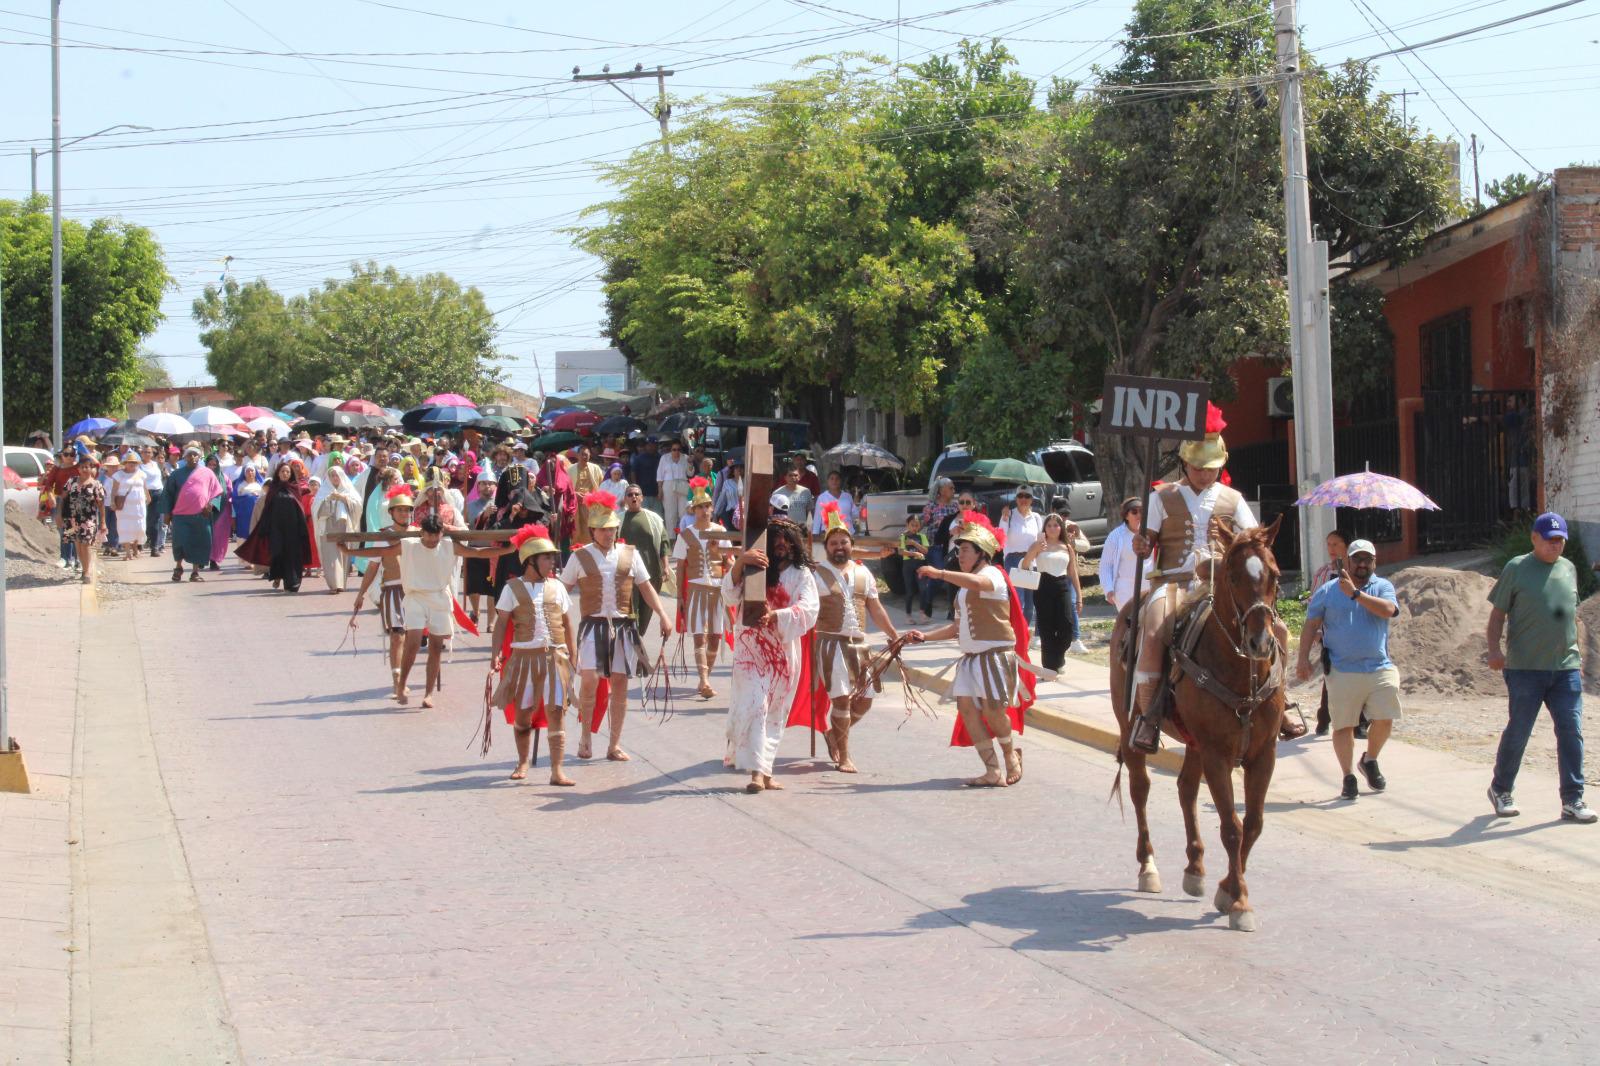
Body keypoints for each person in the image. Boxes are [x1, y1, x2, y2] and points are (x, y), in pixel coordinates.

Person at [1126, 404, 1286, 754]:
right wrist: (1141, 544)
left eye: (1212, 468)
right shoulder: (1161, 496)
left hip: (1222, 583)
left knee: (1280, 629)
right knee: (1153, 631)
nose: (1205, 474)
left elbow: (1252, 537)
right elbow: (1147, 542)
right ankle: (1150, 716)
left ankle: (1282, 702)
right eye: (1199, 467)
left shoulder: (1234, 498)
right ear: (1186, 463)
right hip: (1174, 582)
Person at [1485, 512, 1595, 823]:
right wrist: (1494, 650)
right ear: (1535, 537)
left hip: (1566, 669)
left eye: (1560, 540)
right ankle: (1501, 788)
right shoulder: (1517, 568)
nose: (1555, 546)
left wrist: (1580, 657)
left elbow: (1569, 616)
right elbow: (1497, 616)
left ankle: (1572, 799)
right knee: (1520, 730)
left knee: (1571, 731)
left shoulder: (1569, 569)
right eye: (1550, 540)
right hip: (1524, 669)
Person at [911, 511, 1030, 788]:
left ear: (981, 553)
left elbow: (979, 584)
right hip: (971, 659)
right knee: (966, 709)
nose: (960, 555)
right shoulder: (963, 591)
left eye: (966, 550)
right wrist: (925, 638)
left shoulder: (993, 574)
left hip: (995, 656)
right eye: (959, 549)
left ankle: (1011, 755)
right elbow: (956, 628)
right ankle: (992, 771)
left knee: (992, 710)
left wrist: (939, 573)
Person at [348, 515, 515, 707]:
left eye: (436, 536)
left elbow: (478, 553)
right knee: (413, 643)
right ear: (422, 533)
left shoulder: (448, 546)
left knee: (436, 648)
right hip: (415, 597)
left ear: (441, 534)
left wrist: (508, 549)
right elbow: (380, 550)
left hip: (439, 598)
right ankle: (401, 685)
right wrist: (348, 551)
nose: (432, 540)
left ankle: (428, 694)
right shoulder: (408, 545)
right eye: (428, 535)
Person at [560, 491, 674, 760]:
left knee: (621, 683)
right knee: (589, 680)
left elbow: (646, 587)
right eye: (602, 529)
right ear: (592, 530)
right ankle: (586, 737)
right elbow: (561, 593)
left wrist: (663, 615)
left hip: (624, 626)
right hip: (592, 626)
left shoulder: (629, 554)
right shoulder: (579, 557)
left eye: (611, 528)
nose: (608, 533)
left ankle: (613, 745)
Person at [1296, 539, 1401, 802]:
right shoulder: (1329, 590)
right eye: (1358, 559)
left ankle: (1370, 759)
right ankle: (1348, 777)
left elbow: (1388, 610)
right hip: (1342, 669)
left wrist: (1356, 593)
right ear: (1348, 561)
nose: (1363, 564)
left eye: (1368, 559)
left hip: (1378, 666)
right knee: (1343, 726)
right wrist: (1302, 660)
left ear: (1374, 562)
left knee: (1385, 719)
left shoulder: (1383, 587)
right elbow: (1311, 625)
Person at [722, 518, 820, 793]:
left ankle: (765, 770)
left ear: (795, 544)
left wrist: (777, 615)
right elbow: (729, 596)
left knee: (776, 712)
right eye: (776, 538)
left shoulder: (802, 575)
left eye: (787, 539)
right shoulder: (753, 568)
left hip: (783, 651)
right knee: (756, 706)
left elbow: (810, 610)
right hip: (750, 650)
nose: (781, 544)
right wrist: (740, 563)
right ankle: (756, 772)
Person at [812, 503, 900, 774]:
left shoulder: (864, 573)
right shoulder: (816, 574)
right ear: (826, 547)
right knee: (840, 701)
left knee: (865, 700)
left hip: (860, 646)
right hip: (830, 645)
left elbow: (875, 607)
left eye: (844, 542)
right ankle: (844, 757)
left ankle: (834, 735)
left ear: (852, 544)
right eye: (834, 543)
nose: (839, 546)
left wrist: (894, 636)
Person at [490, 524, 577, 786]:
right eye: (547, 557)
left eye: (552, 556)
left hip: (555, 658)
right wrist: (495, 654)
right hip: (524, 658)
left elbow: (567, 622)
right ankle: (522, 761)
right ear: (530, 561)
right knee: (524, 713)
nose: (552, 561)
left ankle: (557, 770)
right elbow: (501, 624)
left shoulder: (557, 587)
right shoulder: (511, 589)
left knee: (556, 711)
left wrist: (573, 655)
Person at [349, 487, 418, 692]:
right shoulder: (383, 537)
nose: (404, 514)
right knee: (397, 635)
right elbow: (372, 566)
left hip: (416, 592)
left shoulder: (419, 534)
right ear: (391, 512)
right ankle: (397, 680)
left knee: (412, 639)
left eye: (407, 510)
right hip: (392, 590)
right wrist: (360, 594)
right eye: (400, 510)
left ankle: (403, 676)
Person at [673, 478, 733, 699]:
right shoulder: (686, 534)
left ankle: (705, 676)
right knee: (700, 636)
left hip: (717, 589)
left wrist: (730, 564)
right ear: (694, 510)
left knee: (716, 636)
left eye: (707, 506)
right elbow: (679, 567)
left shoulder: (720, 530)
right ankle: (704, 680)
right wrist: (679, 595)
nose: (704, 511)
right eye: (700, 507)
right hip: (696, 589)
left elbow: (730, 561)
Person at [1306, 529, 1358, 737]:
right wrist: (1317, 631)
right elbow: (1314, 604)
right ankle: (1324, 718)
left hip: (1356, 631)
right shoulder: (1323, 573)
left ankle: (1360, 722)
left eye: (1336, 544)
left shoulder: (1358, 571)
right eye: (1329, 544)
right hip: (1331, 633)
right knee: (1331, 674)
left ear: (1347, 546)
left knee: (1360, 675)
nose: (1331, 549)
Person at [1023, 513, 1086, 671]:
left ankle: (1058, 659)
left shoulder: (1067, 547)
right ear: (1045, 528)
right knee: (1046, 628)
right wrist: (1034, 550)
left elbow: (1073, 572)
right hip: (1043, 585)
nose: (1052, 528)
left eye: (1056, 525)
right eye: (1049, 525)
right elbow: (1024, 565)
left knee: (1066, 626)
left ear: (1061, 528)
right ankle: (1050, 666)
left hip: (1063, 586)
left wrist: (1079, 596)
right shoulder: (1038, 545)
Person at [237, 462, 313, 592]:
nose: (285, 474)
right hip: (276, 529)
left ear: (291, 474)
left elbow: (300, 507)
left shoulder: (295, 488)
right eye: (282, 471)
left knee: (292, 555)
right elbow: (267, 510)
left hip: (293, 529)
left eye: (288, 472)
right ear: (278, 473)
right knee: (278, 553)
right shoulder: (273, 489)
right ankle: (278, 575)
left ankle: (292, 583)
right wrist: (265, 528)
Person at [160, 445, 224, 584]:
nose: (193, 457)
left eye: (195, 454)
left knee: (200, 542)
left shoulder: (208, 473)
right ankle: (178, 567)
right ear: (185, 457)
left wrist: (211, 504)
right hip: (180, 516)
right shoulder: (176, 474)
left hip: (201, 515)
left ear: (200, 457)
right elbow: (168, 495)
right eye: (190, 454)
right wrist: (167, 514)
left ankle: (195, 572)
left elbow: (217, 492)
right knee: (179, 542)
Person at [619, 483, 670, 635]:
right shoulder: (617, 520)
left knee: (647, 611)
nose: (633, 497)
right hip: (627, 575)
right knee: (630, 613)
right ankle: (633, 644)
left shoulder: (654, 519)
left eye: (636, 494)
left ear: (642, 498)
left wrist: (666, 566)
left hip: (651, 573)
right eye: (630, 495)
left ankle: (638, 640)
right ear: (625, 499)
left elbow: (663, 543)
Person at [463, 468, 502, 628]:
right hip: (474, 550)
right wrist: (483, 516)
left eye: (491, 484)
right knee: (474, 587)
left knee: (492, 589)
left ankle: (491, 623)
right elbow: (467, 526)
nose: (487, 487)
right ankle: (476, 610)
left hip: (493, 551)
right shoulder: (469, 506)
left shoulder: (500, 505)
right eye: (484, 484)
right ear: (478, 486)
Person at [1000, 487, 1044, 628]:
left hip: (1031, 560)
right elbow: (1001, 537)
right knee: (1018, 601)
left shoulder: (1036, 518)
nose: (1023, 499)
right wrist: (1005, 519)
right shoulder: (1009, 514)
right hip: (1013, 560)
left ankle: (1023, 633)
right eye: (1020, 496)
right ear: (1016, 498)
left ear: (1032, 499)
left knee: (1030, 604)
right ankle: (1014, 633)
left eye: (1027, 496)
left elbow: (1041, 540)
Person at [315, 465, 364, 593]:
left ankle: (341, 583)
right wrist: (329, 499)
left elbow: (358, 506)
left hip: (344, 527)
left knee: (343, 554)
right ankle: (334, 585)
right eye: (332, 476)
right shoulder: (324, 491)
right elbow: (316, 510)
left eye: (337, 475)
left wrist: (343, 498)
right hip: (328, 527)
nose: (335, 478)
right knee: (331, 556)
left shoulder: (349, 490)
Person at [1097, 497, 1150, 614]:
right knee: (1129, 625)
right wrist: (1109, 589)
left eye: (1141, 511)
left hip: (1149, 586)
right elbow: (1106, 565)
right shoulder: (1116, 536)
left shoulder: (1152, 533)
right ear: (1126, 516)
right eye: (1134, 512)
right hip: (1125, 590)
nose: (1138, 515)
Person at [920, 479, 963, 619]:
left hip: (950, 546)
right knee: (938, 575)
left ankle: (952, 611)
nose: (953, 490)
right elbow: (921, 523)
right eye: (951, 487)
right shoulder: (931, 506)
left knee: (951, 577)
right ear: (941, 490)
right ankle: (926, 605)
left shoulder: (955, 506)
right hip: (935, 545)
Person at [60, 456, 105, 586]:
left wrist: (103, 522)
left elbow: (101, 505)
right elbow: (63, 498)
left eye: (88, 467)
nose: (85, 469)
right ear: (78, 469)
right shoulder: (71, 481)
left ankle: (86, 572)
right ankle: (83, 569)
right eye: (83, 467)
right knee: (77, 544)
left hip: (88, 519)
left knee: (86, 544)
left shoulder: (96, 484)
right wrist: (59, 515)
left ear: (92, 469)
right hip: (71, 519)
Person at [111, 452, 148, 560]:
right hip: (124, 507)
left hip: (139, 506)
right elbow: (114, 490)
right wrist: (112, 501)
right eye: (130, 462)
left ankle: (135, 548)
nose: (132, 464)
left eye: (134, 462)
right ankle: (128, 552)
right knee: (124, 528)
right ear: (125, 463)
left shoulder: (141, 473)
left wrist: (148, 497)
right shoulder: (118, 475)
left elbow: (145, 487)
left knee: (139, 528)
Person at [898, 513, 932, 621]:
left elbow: (925, 550)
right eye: (912, 525)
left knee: (923, 588)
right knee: (909, 591)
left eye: (917, 525)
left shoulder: (922, 537)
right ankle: (908, 615)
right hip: (908, 565)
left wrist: (914, 543)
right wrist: (914, 554)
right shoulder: (903, 537)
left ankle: (922, 613)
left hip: (920, 565)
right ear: (907, 525)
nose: (914, 527)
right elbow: (901, 551)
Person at [569, 447, 605, 546]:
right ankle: (577, 551)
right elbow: (567, 488)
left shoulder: (595, 468)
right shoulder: (570, 469)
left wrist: (592, 496)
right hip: (576, 504)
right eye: (582, 454)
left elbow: (602, 486)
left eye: (586, 454)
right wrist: (575, 494)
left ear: (590, 456)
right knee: (576, 529)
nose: (584, 456)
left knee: (592, 528)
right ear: (577, 455)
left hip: (592, 504)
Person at [205, 454, 235, 572]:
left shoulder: (224, 477)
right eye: (209, 464)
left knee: (218, 537)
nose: (212, 467)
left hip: (222, 511)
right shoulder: (202, 477)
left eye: (214, 465)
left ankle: (214, 560)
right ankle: (202, 558)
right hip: (205, 510)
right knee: (206, 535)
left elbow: (230, 491)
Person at [657, 440, 691, 536]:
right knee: (670, 514)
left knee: (684, 512)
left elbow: (690, 473)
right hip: (668, 485)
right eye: (674, 449)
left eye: (678, 449)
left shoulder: (685, 457)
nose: (676, 451)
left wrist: (691, 463)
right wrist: (660, 489)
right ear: (670, 450)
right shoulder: (664, 458)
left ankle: (685, 537)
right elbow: (660, 474)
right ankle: (671, 539)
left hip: (682, 484)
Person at [811, 469, 858, 537]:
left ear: (840, 481)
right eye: (832, 479)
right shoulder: (822, 497)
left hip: (848, 533)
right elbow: (817, 518)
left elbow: (855, 514)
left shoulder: (847, 496)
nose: (834, 481)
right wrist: (815, 534)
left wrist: (862, 509)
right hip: (829, 534)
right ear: (828, 481)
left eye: (837, 479)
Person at [139, 445, 167, 557]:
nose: (147, 454)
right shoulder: (139, 466)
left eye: (149, 452)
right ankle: (139, 543)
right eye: (145, 452)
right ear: (141, 454)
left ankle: (154, 547)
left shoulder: (155, 464)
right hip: (145, 494)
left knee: (155, 521)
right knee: (144, 520)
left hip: (158, 492)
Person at [633, 438, 661, 515]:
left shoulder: (661, 458)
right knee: (644, 515)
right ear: (646, 446)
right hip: (643, 493)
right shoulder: (639, 458)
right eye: (649, 445)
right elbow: (633, 472)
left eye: (654, 445)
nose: (652, 447)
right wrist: (636, 488)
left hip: (657, 493)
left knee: (658, 516)